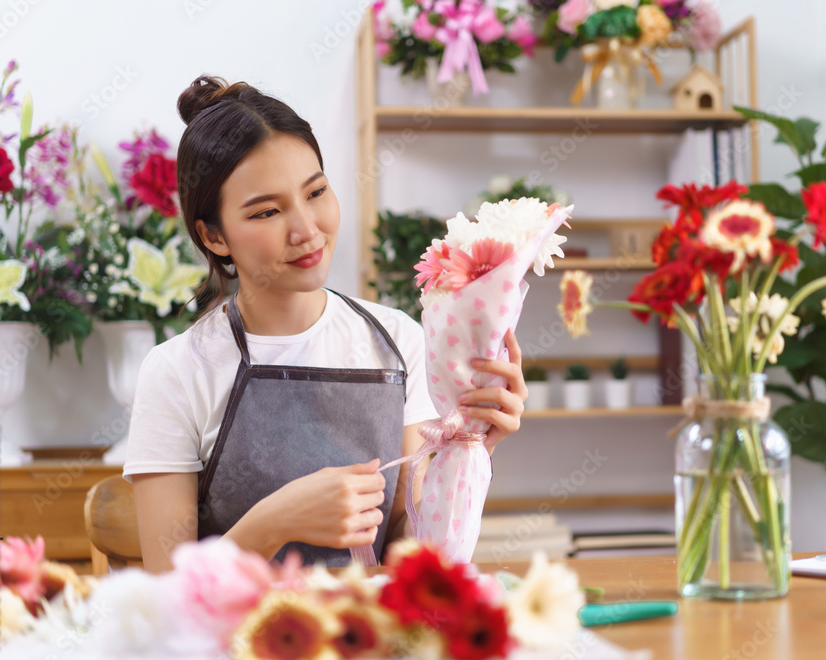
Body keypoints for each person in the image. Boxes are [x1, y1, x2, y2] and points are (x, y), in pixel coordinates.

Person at [123, 75, 527, 573]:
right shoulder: (177, 371)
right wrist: (276, 521)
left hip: (361, 642)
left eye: (316, 192)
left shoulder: (398, 341)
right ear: (213, 236)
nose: (307, 229)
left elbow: (405, 539)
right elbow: (168, 590)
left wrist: (469, 451)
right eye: (267, 211)